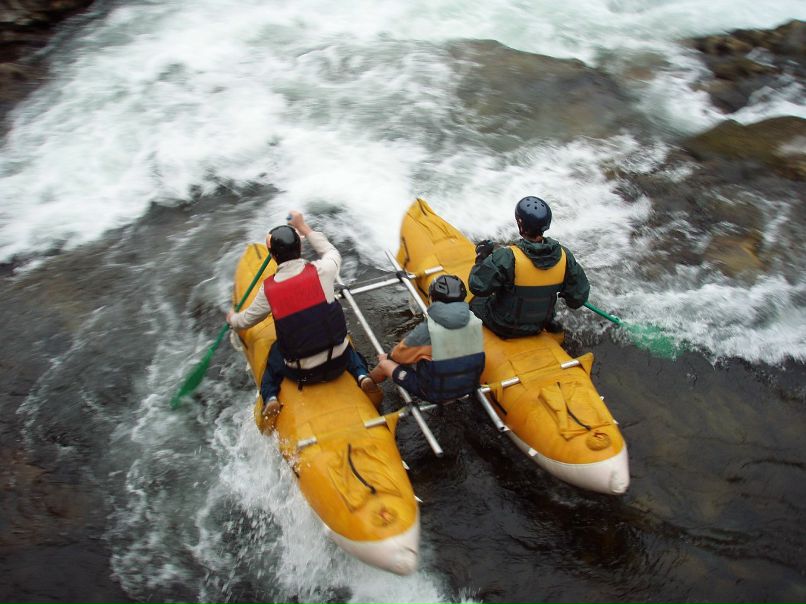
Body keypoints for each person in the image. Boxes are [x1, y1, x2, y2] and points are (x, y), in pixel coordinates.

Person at [227, 211, 382, 419]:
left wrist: (232, 319)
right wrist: (304, 228)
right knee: (348, 348)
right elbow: (331, 251)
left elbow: (246, 321)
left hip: (301, 372)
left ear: (273, 257)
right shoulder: (324, 270)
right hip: (337, 362)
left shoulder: (268, 290)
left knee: (274, 357)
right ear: (300, 249)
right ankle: (362, 374)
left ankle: (271, 397)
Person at [468, 196, 590, 339]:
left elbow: (477, 286)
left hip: (504, 326)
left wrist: (482, 257)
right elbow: (577, 299)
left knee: (476, 301)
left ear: (520, 224)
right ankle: (549, 322)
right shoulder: (564, 256)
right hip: (539, 324)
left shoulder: (507, 256)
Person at [369, 274, 485, 403]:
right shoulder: (474, 320)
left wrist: (387, 357)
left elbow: (398, 356)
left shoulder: (427, 331)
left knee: (385, 364)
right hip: (469, 386)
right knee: (427, 356)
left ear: (432, 298)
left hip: (435, 393)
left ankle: (367, 384)